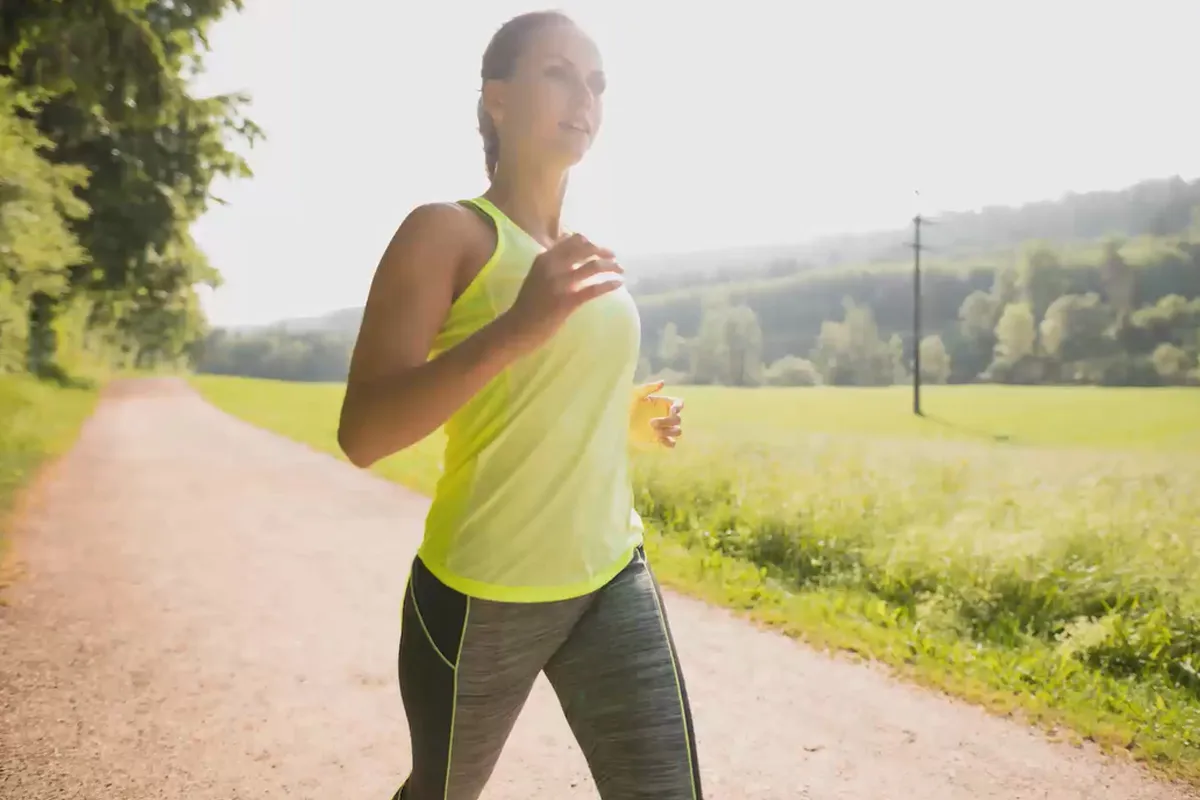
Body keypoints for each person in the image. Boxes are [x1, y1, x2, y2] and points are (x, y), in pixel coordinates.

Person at [337, 10, 702, 800]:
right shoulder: (447, 232)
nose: (586, 96)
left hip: (610, 572)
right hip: (482, 595)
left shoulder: (579, 250)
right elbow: (364, 433)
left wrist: (624, 416)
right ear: (495, 99)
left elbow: (542, 388)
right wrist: (517, 326)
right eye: (559, 73)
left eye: (598, 81)